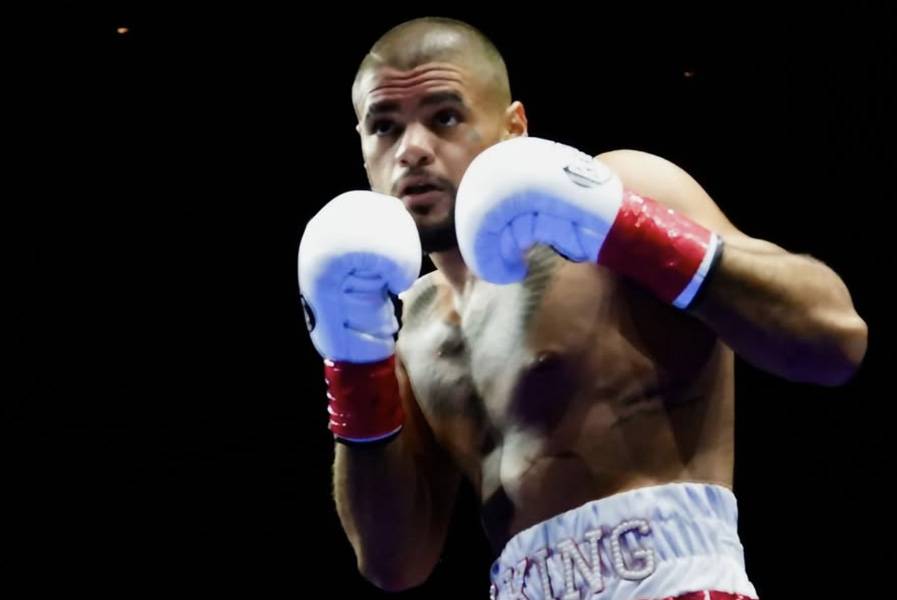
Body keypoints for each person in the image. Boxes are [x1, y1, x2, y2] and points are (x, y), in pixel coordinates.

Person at [297, 16, 868, 600]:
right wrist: (350, 357)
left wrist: (628, 228)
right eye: (385, 128)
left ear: (513, 129)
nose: (412, 150)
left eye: (444, 117)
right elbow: (395, 563)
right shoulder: (407, 323)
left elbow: (834, 338)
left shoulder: (617, 188)